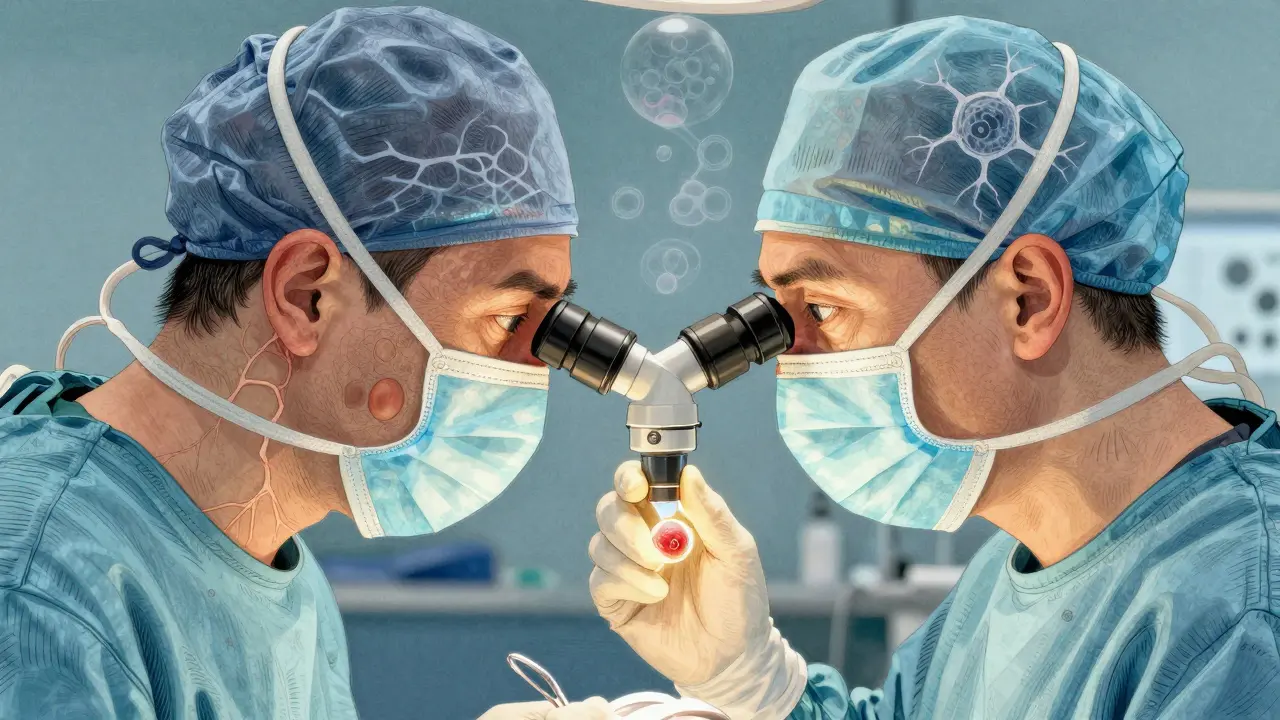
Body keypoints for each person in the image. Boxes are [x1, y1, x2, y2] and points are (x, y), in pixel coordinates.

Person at [587, 16, 1280, 720]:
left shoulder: (1238, 613)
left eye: (822, 309)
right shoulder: (1009, 579)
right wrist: (749, 681)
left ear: (1029, 299)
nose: (788, 355)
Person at [0, 6, 607, 719]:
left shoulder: (277, 560)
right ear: (306, 295)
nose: (530, 372)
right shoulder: (42, 589)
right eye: (505, 320)